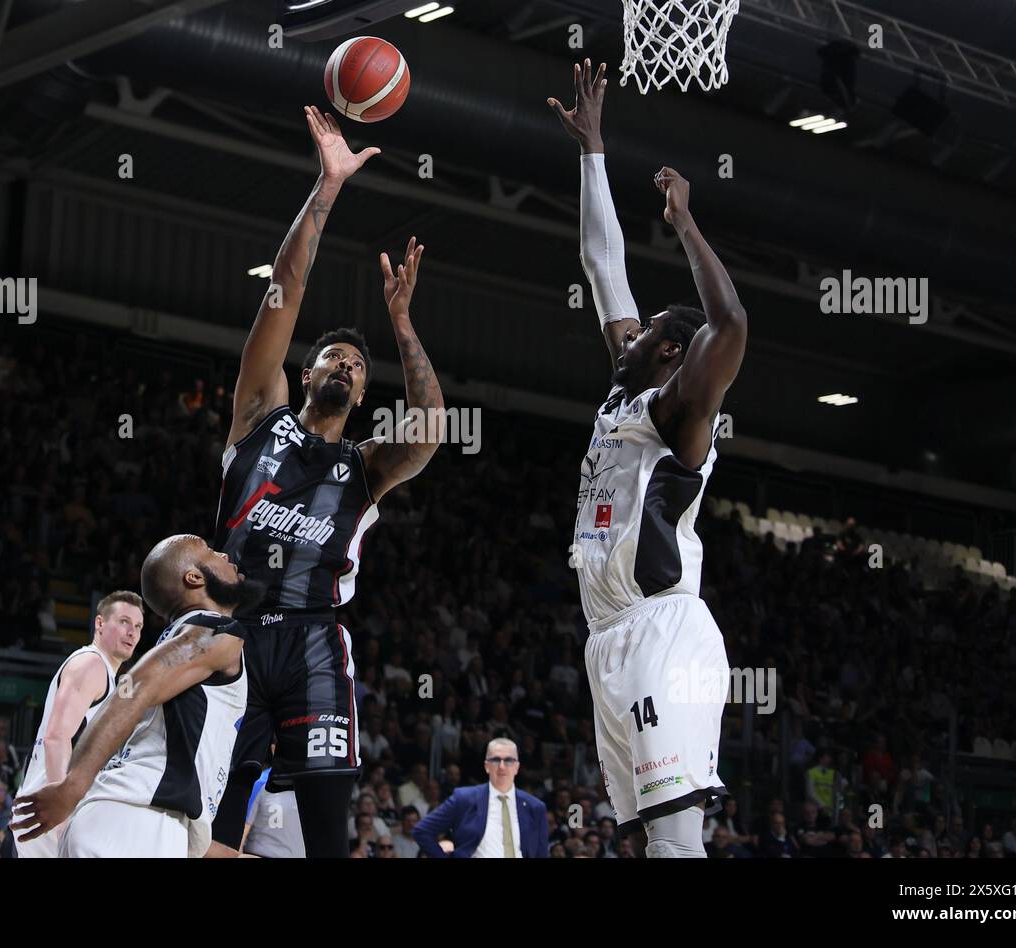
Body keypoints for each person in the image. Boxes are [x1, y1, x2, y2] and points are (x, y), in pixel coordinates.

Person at [209, 106, 444, 860]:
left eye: (356, 365)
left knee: (326, 840)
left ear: (363, 393)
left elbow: (431, 432)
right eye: (333, 358)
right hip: (234, 634)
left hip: (313, 642)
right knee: (213, 823)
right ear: (305, 373)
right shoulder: (258, 414)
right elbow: (282, 291)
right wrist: (327, 186)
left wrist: (402, 323)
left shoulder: (366, 466)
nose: (345, 366)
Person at [548, 60, 747, 858]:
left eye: (643, 330)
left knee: (675, 842)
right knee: (648, 842)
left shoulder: (679, 417)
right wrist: (593, 149)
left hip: (666, 633)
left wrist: (686, 226)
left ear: (667, 350)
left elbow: (729, 324)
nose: (622, 332)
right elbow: (602, 266)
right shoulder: (621, 399)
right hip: (608, 639)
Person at [12, 536, 263, 858]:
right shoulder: (218, 631)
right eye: (211, 552)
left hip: (122, 822)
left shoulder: (180, 648)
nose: (225, 554)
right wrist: (72, 785)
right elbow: (134, 690)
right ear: (194, 577)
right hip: (132, 825)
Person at [13, 590, 143, 858]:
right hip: (53, 812)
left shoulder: (105, 673)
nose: (132, 632)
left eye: (138, 626)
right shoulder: (91, 664)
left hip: (54, 810)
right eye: (124, 622)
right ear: (99, 623)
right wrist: (63, 815)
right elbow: (56, 738)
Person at [413, 738, 549, 858]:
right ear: (486, 766)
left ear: (517, 767)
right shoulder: (464, 798)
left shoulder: (535, 807)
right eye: (495, 760)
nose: (502, 766)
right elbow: (422, 830)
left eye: (508, 760)